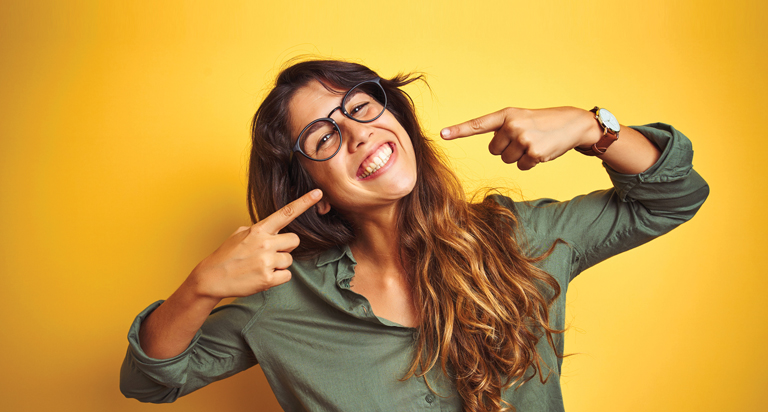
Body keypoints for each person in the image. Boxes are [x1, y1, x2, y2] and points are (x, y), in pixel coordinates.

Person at [120, 59, 709, 411]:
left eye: (361, 106)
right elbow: (150, 380)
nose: (355, 132)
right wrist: (199, 288)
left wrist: (590, 126)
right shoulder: (281, 302)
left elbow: (672, 195)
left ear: (395, 115)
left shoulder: (522, 237)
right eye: (323, 136)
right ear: (305, 179)